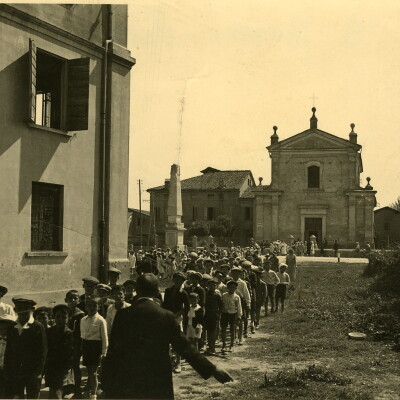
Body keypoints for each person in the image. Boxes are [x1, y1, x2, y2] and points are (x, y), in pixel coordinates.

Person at [101, 273, 233, 399]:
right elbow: (185, 347)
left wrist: (105, 383)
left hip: (129, 377)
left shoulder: (123, 315)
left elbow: (113, 351)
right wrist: (213, 369)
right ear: (156, 291)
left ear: (137, 290)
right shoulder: (166, 316)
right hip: (157, 377)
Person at [4, 296, 48, 399]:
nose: (21, 314)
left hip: (32, 371)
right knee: (17, 395)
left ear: (31, 310)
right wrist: (7, 369)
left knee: (32, 395)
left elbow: (43, 351)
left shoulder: (38, 327)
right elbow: (9, 350)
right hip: (16, 371)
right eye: (19, 310)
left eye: (24, 311)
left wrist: (38, 372)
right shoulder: (12, 327)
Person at [80, 297, 108, 400]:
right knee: (89, 371)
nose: (92, 308)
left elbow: (104, 337)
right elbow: (82, 336)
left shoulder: (101, 320)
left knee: (93, 372)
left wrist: (104, 352)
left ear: (98, 307)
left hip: (95, 347)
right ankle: (91, 389)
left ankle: (94, 394)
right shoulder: (83, 320)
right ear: (86, 307)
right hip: (87, 347)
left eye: (94, 306)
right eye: (89, 306)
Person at [45, 304, 74, 399]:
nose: (60, 319)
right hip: (50, 365)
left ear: (69, 318)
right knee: (52, 390)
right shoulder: (49, 331)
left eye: (64, 317)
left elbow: (70, 353)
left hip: (62, 367)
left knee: (58, 390)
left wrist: (67, 367)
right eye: (58, 317)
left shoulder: (69, 333)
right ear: (53, 318)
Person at [65, 289, 85, 398]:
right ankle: (67, 387)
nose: (72, 300)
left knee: (75, 367)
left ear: (79, 300)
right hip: (65, 344)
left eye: (75, 298)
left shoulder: (80, 314)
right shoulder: (65, 312)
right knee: (66, 366)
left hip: (76, 344)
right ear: (66, 300)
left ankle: (78, 390)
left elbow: (81, 331)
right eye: (70, 298)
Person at [220, 280, 242, 353]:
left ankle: (231, 345)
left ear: (235, 288)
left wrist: (239, 316)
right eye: (230, 287)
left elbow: (239, 307)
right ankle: (224, 344)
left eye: (233, 287)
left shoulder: (236, 297)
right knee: (223, 329)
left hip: (233, 314)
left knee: (232, 329)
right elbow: (221, 305)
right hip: (225, 314)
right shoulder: (224, 295)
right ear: (228, 288)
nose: (232, 289)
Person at [204, 278, 222, 355]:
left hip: (215, 315)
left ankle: (213, 347)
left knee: (213, 331)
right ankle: (209, 346)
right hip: (207, 315)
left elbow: (221, 306)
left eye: (214, 285)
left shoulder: (217, 296)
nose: (212, 287)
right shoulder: (205, 294)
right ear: (208, 286)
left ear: (216, 286)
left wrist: (219, 315)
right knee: (208, 331)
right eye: (210, 285)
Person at [0, 314, 16, 398]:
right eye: (1, 329)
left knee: (8, 394)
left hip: (10, 374)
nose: (3, 331)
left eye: (6, 329)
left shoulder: (15, 343)